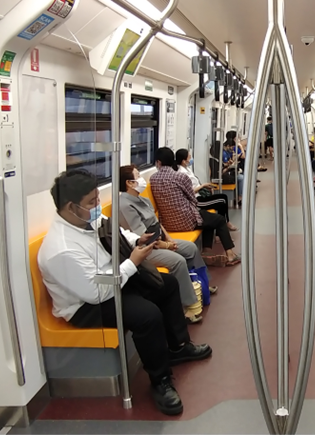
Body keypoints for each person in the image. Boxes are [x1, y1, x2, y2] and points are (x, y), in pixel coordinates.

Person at [37, 169, 212, 415]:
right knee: (147, 315)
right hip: (87, 306)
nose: (98, 205)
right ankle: (160, 380)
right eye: (92, 202)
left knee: (167, 284)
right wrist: (133, 262)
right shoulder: (61, 249)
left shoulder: (87, 219)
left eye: (97, 198)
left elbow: (114, 232)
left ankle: (177, 346)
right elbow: (96, 293)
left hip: (113, 280)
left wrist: (137, 240)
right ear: (70, 206)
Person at [117, 165, 217, 323]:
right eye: (138, 176)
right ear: (129, 183)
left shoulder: (142, 199)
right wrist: (167, 246)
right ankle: (187, 306)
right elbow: (143, 237)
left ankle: (202, 284)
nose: (141, 179)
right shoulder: (125, 205)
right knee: (178, 261)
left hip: (160, 240)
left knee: (190, 248)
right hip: (145, 249)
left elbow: (156, 223)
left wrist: (169, 239)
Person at [149, 147, 241, 266]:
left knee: (209, 219)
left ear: (158, 162)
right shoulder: (181, 177)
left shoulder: (153, 178)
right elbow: (193, 198)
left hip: (167, 223)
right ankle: (230, 255)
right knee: (219, 220)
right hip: (186, 221)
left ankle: (206, 252)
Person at [176, 148, 237, 229]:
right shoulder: (181, 173)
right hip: (196, 200)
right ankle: (222, 229)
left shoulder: (187, 169)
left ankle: (226, 222)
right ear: (183, 161)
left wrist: (205, 187)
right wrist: (203, 186)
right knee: (221, 203)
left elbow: (195, 183)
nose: (191, 159)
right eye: (189, 157)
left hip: (200, 195)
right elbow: (189, 191)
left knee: (223, 196)